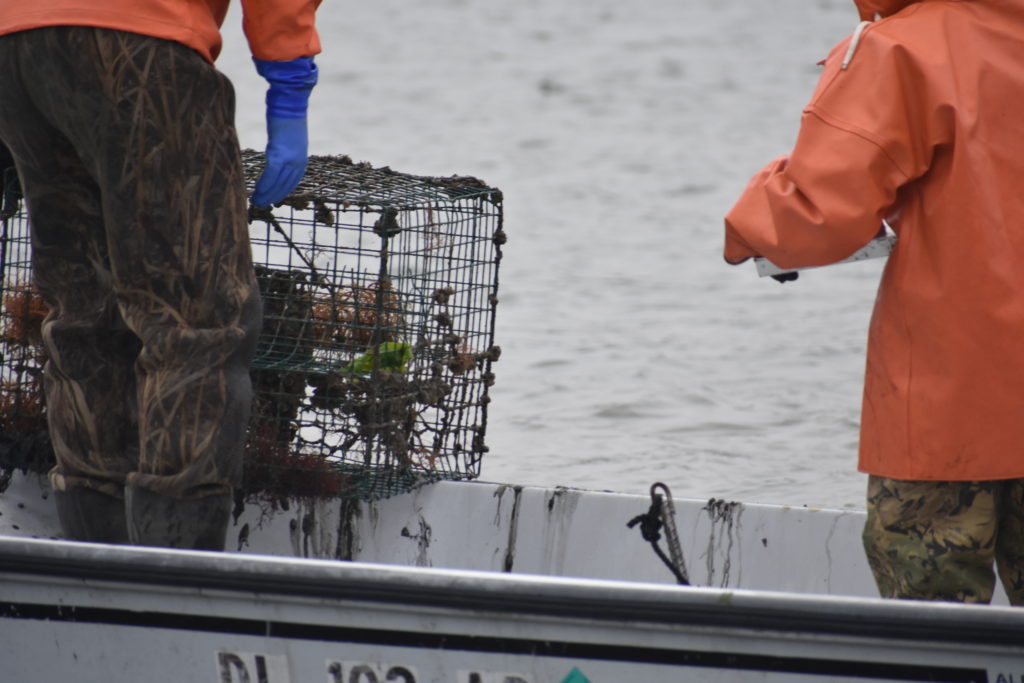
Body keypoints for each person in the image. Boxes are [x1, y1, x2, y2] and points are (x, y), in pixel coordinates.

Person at [723, 0, 1024, 605]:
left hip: (947, 411)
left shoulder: (903, 50)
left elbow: (818, 212)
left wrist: (748, 225)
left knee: (933, 628)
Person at [0, 0, 321, 550]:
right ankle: (176, 563)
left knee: (85, 311)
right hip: (140, 45)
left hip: (15, 44)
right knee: (194, 319)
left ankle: (92, 560)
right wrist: (289, 80)